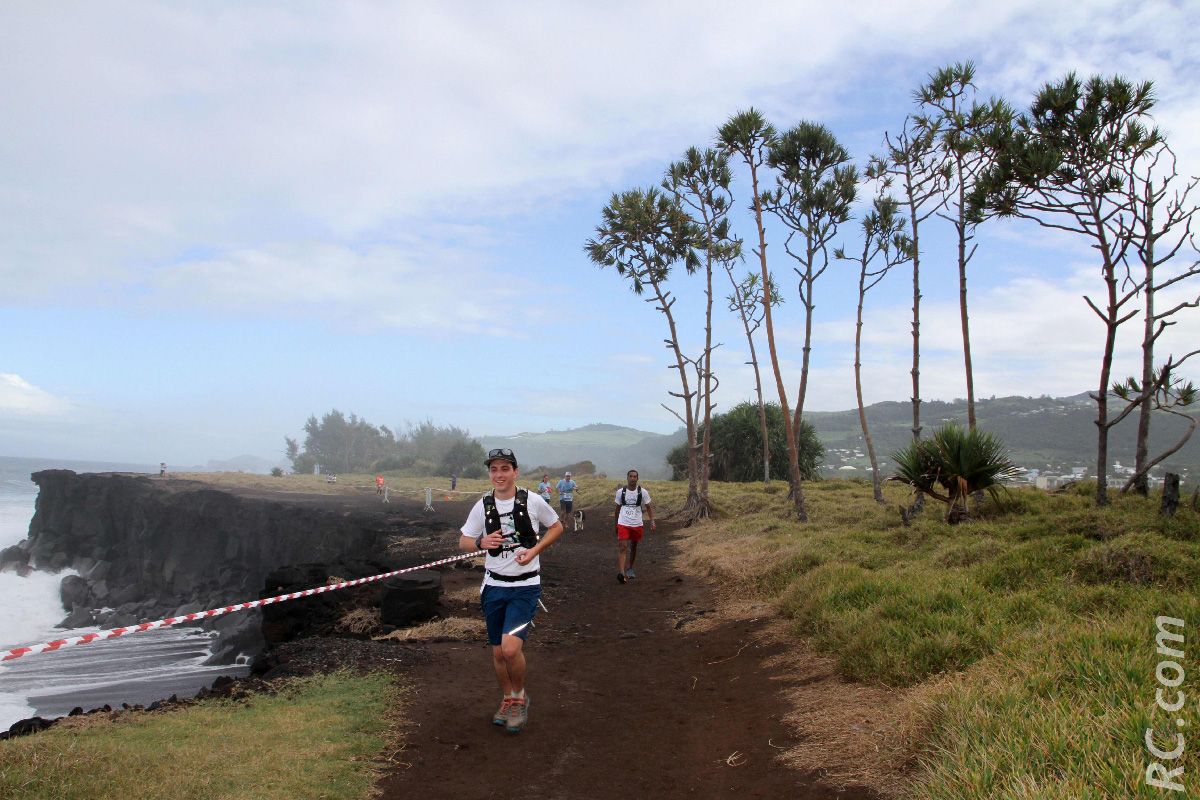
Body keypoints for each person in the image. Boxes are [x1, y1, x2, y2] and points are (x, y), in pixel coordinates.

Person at [459, 448, 562, 733]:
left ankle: (520, 697)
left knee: (510, 649)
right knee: (497, 654)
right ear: (489, 473)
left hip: (525, 587)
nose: (499, 474)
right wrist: (481, 543)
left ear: (515, 472)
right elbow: (464, 541)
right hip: (493, 586)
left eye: (505, 468)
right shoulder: (483, 505)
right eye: (494, 469)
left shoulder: (533, 500)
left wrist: (535, 550)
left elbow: (556, 526)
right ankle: (508, 698)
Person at [614, 469, 654, 583]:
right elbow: (617, 510)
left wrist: (652, 522)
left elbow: (649, 507)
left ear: (637, 479)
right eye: (630, 476)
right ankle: (621, 572)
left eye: (634, 476)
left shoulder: (643, 492)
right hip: (623, 522)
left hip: (637, 523)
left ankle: (630, 569)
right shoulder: (621, 492)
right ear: (627, 478)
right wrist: (616, 524)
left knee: (634, 546)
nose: (632, 478)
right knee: (623, 547)